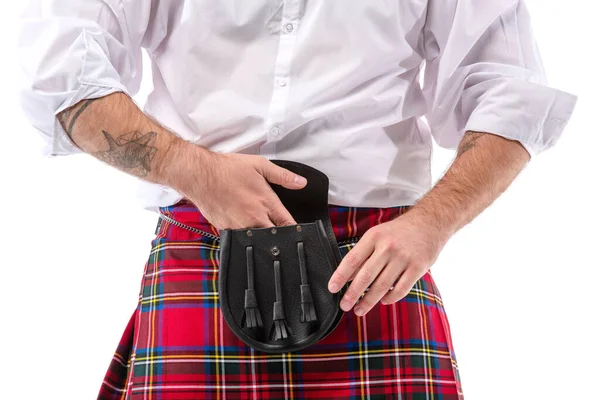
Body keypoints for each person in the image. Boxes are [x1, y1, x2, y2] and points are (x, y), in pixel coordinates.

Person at [17, 1, 576, 399]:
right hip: (208, 243)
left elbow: (511, 90)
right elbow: (58, 71)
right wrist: (194, 170)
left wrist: (432, 223)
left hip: (374, 262)